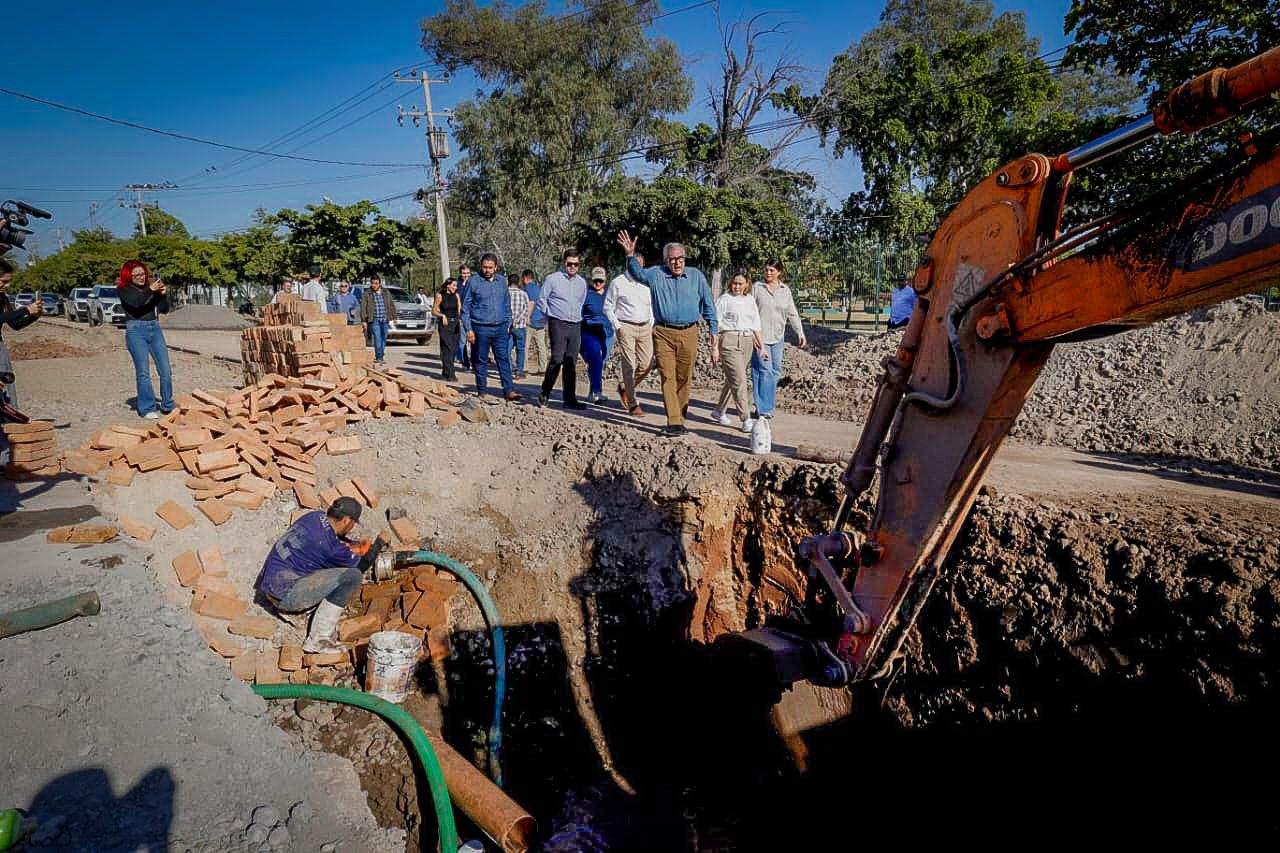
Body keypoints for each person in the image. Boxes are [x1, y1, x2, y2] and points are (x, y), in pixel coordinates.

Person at [616, 231, 718, 436]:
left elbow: (709, 305)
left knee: (684, 377)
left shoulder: (696, 276)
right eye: (672, 260)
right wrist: (629, 255)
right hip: (663, 333)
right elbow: (638, 274)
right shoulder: (656, 274)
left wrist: (713, 331)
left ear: (685, 259)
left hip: (689, 332)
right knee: (667, 376)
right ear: (666, 261)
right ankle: (673, 421)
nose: (677, 263)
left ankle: (680, 417)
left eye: (680, 259)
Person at [255, 498, 376, 654]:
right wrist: (378, 545)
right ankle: (318, 639)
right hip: (286, 596)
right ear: (346, 520)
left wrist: (351, 545)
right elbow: (360, 566)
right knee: (352, 576)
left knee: (327, 568)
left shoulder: (314, 516)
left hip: (272, 582)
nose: (352, 528)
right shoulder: (330, 548)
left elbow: (328, 541)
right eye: (353, 523)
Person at [117, 260, 174, 420]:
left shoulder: (150, 288)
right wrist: (151, 289)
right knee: (143, 372)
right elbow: (136, 303)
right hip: (136, 330)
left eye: (143, 274)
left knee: (165, 369)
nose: (141, 277)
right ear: (129, 276)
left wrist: (162, 295)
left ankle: (167, 404)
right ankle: (147, 407)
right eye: (137, 275)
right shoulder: (124, 289)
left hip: (154, 328)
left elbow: (163, 309)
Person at [752, 259, 806, 422]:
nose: (768, 273)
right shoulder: (757, 288)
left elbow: (792, 313)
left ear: (779, 272)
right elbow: (749, 310)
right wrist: (752, 333)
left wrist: (800, 332)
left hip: (777, 337)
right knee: (763, 371)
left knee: (774, 372)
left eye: (772, 271)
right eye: (767, 270)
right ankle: (764, 409)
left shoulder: (785, 290)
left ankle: (765, 404)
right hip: (760, 337)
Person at [712, 272, 767, 433]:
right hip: (729, 340)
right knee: (740, 380)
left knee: (733, 379)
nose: (736, 286)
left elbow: (755, 323)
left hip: (747, 341)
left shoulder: (749, 300)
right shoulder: (724, 299)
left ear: (746, 285)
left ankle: (718, 410)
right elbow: (715, 324)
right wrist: (714, 348)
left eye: (740, 283)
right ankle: (746, 418)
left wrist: (761, 346)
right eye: (734, 283)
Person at [461, 253, 520, 401]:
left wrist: (508, 323)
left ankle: (509, 390)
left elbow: (506, 304)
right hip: (480, 328)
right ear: (481, 267)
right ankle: (482, 391)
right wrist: (468, 329)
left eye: (490, 267)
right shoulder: (473, 282)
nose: (487, 270)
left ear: (496, 267)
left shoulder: (501, 281)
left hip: (500, 328)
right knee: (481, 360)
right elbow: (465, 308)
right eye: (485, 267)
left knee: (503, 359)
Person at [536, 249, 588, 410]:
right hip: (557, 322)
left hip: (575, 324)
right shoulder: (552, 279)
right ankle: (545, 392)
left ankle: (569, 399)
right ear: (564, 263)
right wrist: (549, 315)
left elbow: (582, 302)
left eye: (576, 264)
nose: (572, 267)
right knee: (557, 358)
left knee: (571, 361)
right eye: (569, 264)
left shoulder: (582, 283)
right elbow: (541, 299)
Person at [603, 250, 653, 416]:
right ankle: (633, 403)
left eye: (640, 265)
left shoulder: (647, 283)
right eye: (634, 264)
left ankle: (625, 386)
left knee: (647, 364)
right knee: (629, 364)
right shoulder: (618, 282)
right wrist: (618, 326)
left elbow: (651, 305)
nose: (637, 268)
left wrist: (651, 323)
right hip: (626, 326)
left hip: (645, 327)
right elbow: (608, 306)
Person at [0, 256, 42, 412]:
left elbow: (14, 324)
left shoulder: (2, 298)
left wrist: (33, 315)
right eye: (3, 281)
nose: (7, 285)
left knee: (6, 385)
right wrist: (25, 309)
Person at [580, 268, 615, 404]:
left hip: (608, 333)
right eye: (595, 280)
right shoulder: (586, 294)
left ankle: (593, 391)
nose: (598, 282)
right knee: (595, 358)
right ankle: (596, 391)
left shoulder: (610, 294)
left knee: (600, 363)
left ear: (606, 280)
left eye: (600, 280)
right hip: (589, 331)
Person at [360, 276, 397, 364]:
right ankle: (379, 357)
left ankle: (380, 354)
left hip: (385, 319)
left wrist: (394, 317)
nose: (374, 285)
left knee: (384, 338)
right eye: (372, 283)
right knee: (377, 338)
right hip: (374, 320)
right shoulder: (367, 293)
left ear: (379, 283)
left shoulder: (386, 292)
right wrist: (364, 320)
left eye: (376, 283)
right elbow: (363, 308)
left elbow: (391, 304)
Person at [433, 277, 462, 382]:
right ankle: (451, 374)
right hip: (445, 324)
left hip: (455, 324)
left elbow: (459, 310)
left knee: (453, 349)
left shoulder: (457, 296)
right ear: (448, 285)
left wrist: (461, 320)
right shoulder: (440, 296)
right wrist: (442, 316)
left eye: (456, 286)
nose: (455, 287)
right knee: (448, 348)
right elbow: (434, 311)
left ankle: (445, 371)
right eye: (454, 285)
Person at [522, 270, 549, 375]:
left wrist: (527, 317)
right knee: (541, 346)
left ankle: (524, 367)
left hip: (530, 321)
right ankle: (543, 368)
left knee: (525, 346)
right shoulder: (540, 288)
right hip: (541, 321)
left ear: (525, 278)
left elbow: (531, 303)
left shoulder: (527, 289)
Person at [507, 275, 531, 379]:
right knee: (520, 349)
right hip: (520, 325)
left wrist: (510, 321)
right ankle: (519, 371)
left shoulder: (505, 293)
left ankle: (507, 370)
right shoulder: (523, 294)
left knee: (507, 349)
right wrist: (517, 320)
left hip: (507, 326)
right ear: (519, 282)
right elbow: (526, 309)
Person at [456, 263, 473, 370]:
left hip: (473, 316)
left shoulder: (474, 283)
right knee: (462, 341)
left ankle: (475, 363)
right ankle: (465, 363)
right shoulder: (457, 285)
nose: (466, 275)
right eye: (463, 273)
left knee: (474, 342)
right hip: (462, 316)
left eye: (467, 273)